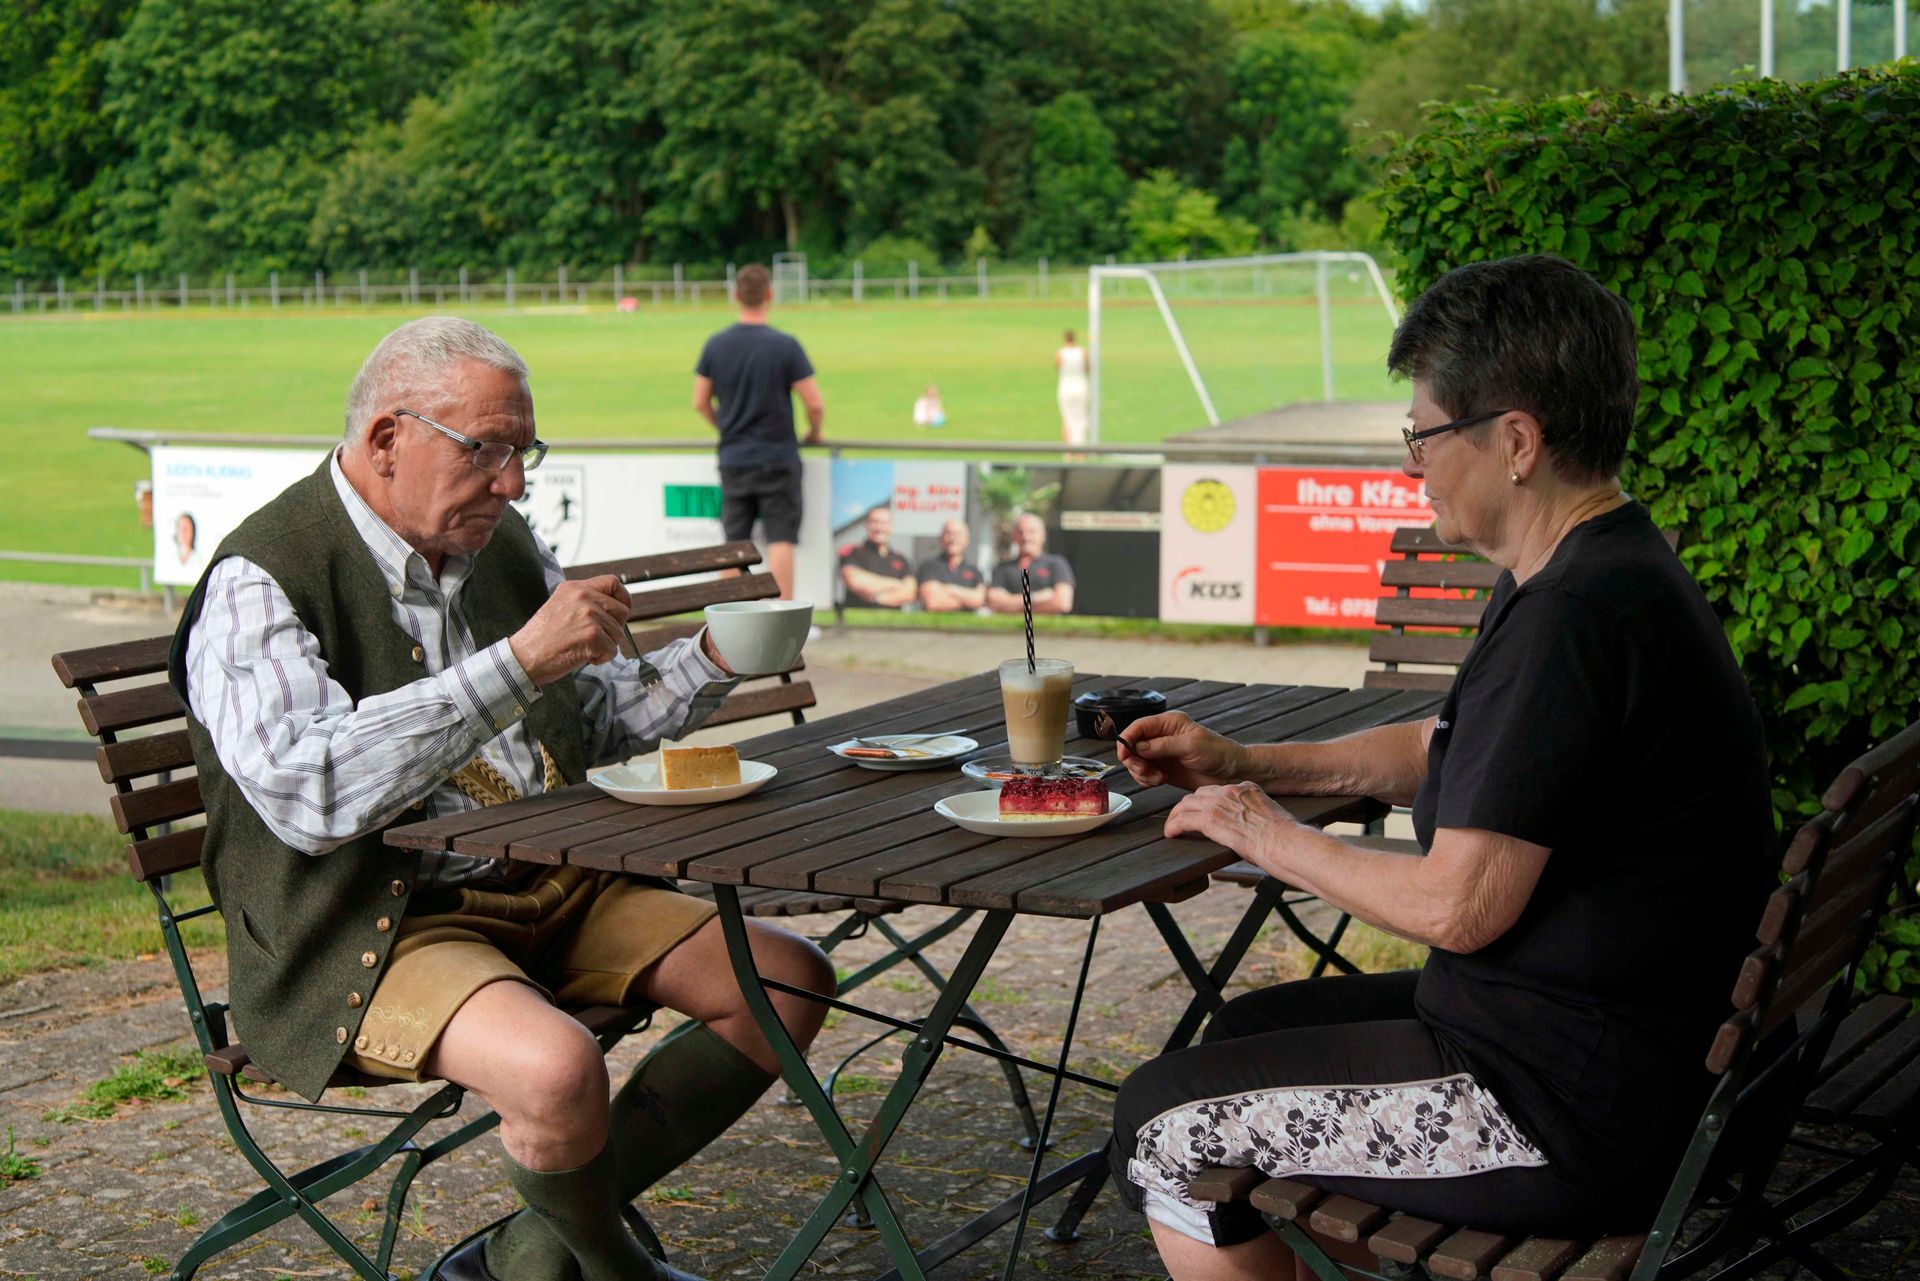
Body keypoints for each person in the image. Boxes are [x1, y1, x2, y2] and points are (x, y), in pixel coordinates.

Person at [1106, 255, 1773, 1280]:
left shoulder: (1575, 619)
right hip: (1621, 1056)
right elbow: (1442, 750)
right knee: (1238, 1034)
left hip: (1563, 1108)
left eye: (1422, 433)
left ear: (1514, 442)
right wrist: (1245, 763)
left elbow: (1460, 908)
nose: (1410, 460)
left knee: (1165, 1125)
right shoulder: (1589, 568)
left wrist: (1257, 829)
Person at [171, 317, 835, 1281]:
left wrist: (714, 659)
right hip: (371, 923)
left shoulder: (497, 542)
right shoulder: (260, 576)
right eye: (489, 450)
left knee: (787, 982)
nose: (514, 482)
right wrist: (519, 662)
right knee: (560, 1067)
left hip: (549, 887)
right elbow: (311, 794)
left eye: (525, 452)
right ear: (388, 439)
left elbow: (591, 721)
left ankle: (520, 1251)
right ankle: (612, 1267)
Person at [693, 264, 824, 600]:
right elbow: (815, 404)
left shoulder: (716, 345)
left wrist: (725, 425)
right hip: (778, 457)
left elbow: (700, 401)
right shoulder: (785, 345)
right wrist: (813, 432)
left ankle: (731, 622)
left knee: (734, 543)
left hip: (735, 457)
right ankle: (782, 619)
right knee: (781, 539)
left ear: (736, 296)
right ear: (770, 295)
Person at [986, 512, 1075, 615]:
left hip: (1045, 629)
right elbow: (993, 602)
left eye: (1032, 532)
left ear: (1043, 536)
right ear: (1014, 536)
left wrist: (1010, 604)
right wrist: (1035, 597)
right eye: (1021, 532)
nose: (1026, 537)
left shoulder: (1057, 564)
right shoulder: (1003, 568)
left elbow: (1062, 603)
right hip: (1010, 629)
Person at [837, 505, 916, 609]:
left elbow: (909, 593)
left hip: (892, 623)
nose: (879, 528)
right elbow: (855, 582)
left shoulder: (901, 559)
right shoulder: (852, 552)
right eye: (874, 522)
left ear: (891, 527)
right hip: (858, 622)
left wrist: (876, 598)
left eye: (884, 523)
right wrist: (897, 584)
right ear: (866, 525)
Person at [916, 518, 986, 612]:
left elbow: (978, 600)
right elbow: (932, 602)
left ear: (967, 540)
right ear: (941, 538)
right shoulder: (929, 566)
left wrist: (946, 588)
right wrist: (967, 602)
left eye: (958, 534)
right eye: (948, 533)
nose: (953, 538)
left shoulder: (974, 571)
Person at [1055, 329, 1090, 448]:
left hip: (1066, 386)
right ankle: (1080, 451)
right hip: (1080, 386)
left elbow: (1058, 368)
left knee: (1067, 419)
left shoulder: (1060, 353)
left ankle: (1068, 451)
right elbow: (1087, 368)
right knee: (1080, 419)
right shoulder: (1082, 352)